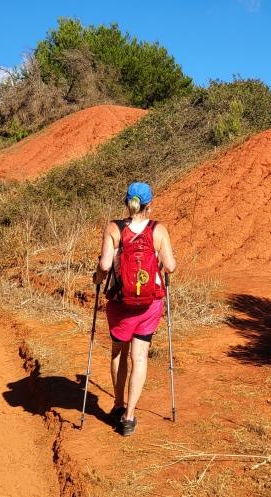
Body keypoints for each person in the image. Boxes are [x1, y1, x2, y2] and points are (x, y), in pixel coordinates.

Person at [93, 181, 176, 436]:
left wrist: (97, 278)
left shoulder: (114, 228)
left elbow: (105, 266)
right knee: (139, 357)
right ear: (149, 205)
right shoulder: (158, 230)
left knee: (118, 353)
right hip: (150, 303)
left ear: (127, 203)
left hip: (121, 304)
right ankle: (129, 418)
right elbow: (170, 267)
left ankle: (118, 404)